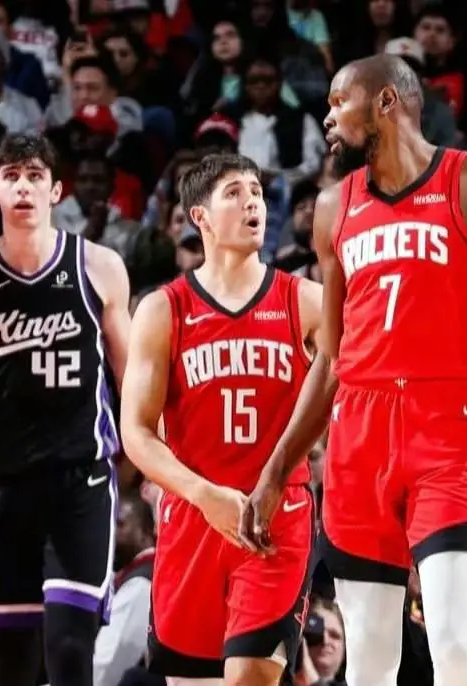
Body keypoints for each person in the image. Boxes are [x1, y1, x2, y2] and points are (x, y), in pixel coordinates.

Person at [241, 53, 467, 686]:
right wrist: (276, 469)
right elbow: (331, 357)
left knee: (456, 646)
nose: (328, 117)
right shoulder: (333, 207)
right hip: (359, 436)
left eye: (340, 102)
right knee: (369, 663)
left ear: (386, 101)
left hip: (447, 427)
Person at [0, 133, 131, 686]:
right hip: (0, 486)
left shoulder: (100, 266)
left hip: (80, 483)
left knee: (69, 650)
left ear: (56, 190)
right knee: (13, 665)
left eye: (35, 176)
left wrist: (159, 468)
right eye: (12, 177)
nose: (23, 187)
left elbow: (132, 380)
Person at [119, 153, 321, 686]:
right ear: (200, 217)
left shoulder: (305, 301)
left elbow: (360, 375)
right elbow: (136, 432)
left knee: (249, 675)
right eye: (235, 192)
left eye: (257, 192)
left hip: (275, 516)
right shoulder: (163, 310)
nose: (253, 202)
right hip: (193, 517)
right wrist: (203, 494)